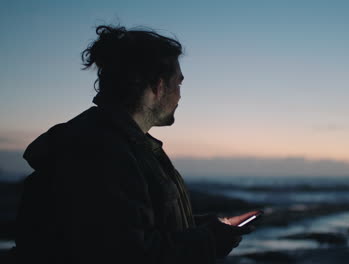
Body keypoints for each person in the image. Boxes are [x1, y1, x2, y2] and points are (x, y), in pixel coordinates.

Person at [12, 25, 258, 264]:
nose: (181, 94)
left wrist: (201, 226)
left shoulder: (126, 144)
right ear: (157, 86)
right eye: (178, 83)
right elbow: (127, 254)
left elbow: (131, 224)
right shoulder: (101, 152)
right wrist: (210, 240)